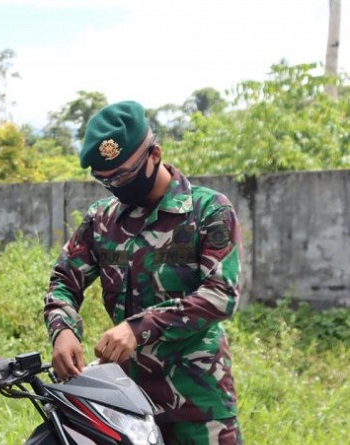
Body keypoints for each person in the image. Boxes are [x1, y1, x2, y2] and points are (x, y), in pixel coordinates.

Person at [43, 101, 242, 445]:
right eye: (104, 180)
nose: (115, 186)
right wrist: (62, 330)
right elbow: (63, 281)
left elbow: (221, 294)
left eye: (123, 176)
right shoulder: (101, 219)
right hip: (124, 404)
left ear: (154, 155)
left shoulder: (207, 210)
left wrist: (138, 329)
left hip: (197, 402)